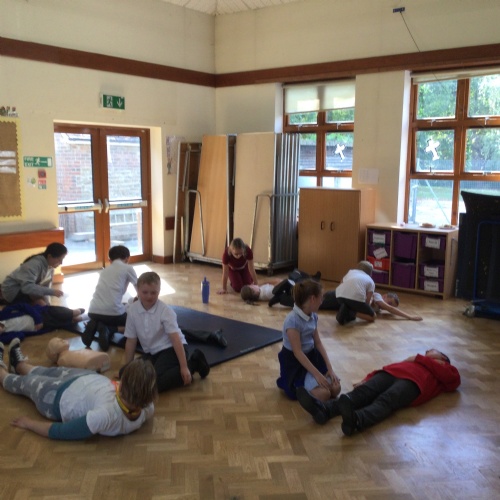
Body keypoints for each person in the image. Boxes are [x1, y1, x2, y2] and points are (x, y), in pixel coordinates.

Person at [0, 338, 157, 440]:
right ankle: (18, 364)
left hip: (57, 397)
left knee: (26, 383)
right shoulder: (147, 408)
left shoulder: (105, 416)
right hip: (82, 378)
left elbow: (61, 431)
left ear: (123, 385)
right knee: (42, 371)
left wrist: (29, 424)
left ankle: (2, 372)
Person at [296, 349, 460, 435]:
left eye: (431, 350)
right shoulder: (415, 360)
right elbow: (391, 367)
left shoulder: (446, 367)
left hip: (413, 383)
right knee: (362, 393)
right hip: (390, 374)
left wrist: (420, 358)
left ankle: (357, 420)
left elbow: (453, 381)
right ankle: (324, 410)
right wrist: (367, 378)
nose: (427, 352)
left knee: (386, 400)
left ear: (442, 357)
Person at [121, 271, 210, 393]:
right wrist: (128, 369)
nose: (149, 296)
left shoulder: (165, 311)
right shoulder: (132, 311)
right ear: (138, 291)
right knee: (124, 374)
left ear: (159, 291)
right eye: (145, 292)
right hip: (153, 352)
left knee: (155, 383)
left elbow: (175, 339)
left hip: (172, 349)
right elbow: (131, 341)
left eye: (153, 293)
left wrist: (184, 367)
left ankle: (194, 363)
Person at [276, 279, 341, 403]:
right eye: (321, 298)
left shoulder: (313, 316)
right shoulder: (293, 320)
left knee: (336, 389)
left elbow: (318, 343)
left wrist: (330, 368)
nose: (322, 301)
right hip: (295, 362)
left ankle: (313, 386)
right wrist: (317, 375)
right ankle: (304, 389)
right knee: (324, 395)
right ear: (312, 299)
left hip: (311, 356)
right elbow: (298, 352)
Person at [82, 245, 138, 351]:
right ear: (127, 258)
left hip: (93, 311)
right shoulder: (128, 268)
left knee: (114, 311)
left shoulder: (104, 271)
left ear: (110, 260)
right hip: (114, 314)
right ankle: (110, 329)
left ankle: (95, 324)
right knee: (137, 324)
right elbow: (140, 289)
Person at [0, 242, 67, 306]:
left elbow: (46, 287)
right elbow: (27, 287)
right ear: (49, 256)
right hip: (13, 290)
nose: (61, 263)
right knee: (41, 305)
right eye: (59, 260)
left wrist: (48, 304)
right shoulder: (34, 264)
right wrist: (52, 292)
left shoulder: (50, 267)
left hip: (26, 288)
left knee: (45, 306)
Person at [0, 302, 85, 344]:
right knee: (74, 321)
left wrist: (38, 320)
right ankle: (88, 317)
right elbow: (20, 336)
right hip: (45, 326)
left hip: (43, 312)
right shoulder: (4, 336)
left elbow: (24, 306)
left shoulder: (4, 313)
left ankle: (82, 312)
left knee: (74, 313)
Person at [316, 289, 423, 321]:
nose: (388, 306)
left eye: (391, 305)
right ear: (384, 296)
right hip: (337, 296)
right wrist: (410, 317)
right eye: (389, 302)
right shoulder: (377, 296)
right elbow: (390, 309)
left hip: (342, 302)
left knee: (319, 304)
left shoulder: (378, 309)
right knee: (317, 303)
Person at [241, 269, 321, 307]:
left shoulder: (261, 291)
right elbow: (279, 284)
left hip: (289, 286)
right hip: (292, 287)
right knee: (295, 273)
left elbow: (270, 283)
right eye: (251, 286)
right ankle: (314, 279)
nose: (253, 284)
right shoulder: (265, 293)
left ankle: (313, 278)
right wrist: (277, 281)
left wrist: (264, 282)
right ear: (253, 291)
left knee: (294, 273)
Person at [334, 260, 376, 325]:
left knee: (350, 304)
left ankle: (345, 310)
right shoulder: (371, 281)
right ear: (370, 273)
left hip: (339, 297)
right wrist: (369, 303)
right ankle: (350, 312)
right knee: (373, 317)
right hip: (355, 300)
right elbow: (367, 301)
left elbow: (341, 283)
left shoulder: (351, 272)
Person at [46, 337, 111, 373]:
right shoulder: (61, 359)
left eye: (61, 339)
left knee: (86, 353)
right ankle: (94, 368)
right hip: (87, 363)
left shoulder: (72, 351)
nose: (62, 340)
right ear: (53, 352)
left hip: (91, 359)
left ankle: (99, 365)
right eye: (57, 342)